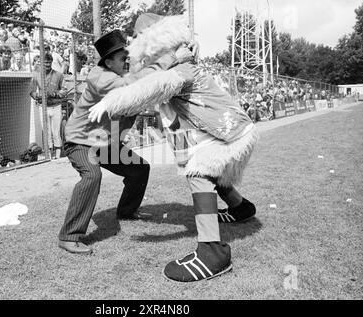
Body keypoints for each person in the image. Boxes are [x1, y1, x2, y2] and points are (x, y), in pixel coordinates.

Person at [89, 14, 258, 282]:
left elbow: (151, 85)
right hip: (222, 131)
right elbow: (149, 85)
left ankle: (212, 252)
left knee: (199, 173)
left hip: (229, 134)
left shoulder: (182, 68)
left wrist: (112, 102)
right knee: (207, 169)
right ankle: (241, 208)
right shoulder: (178, 63)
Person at [58, 30, 195, 255]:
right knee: (92, 175)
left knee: (139, 169)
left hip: (104, 144)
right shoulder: (98, 76)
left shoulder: (121, 74)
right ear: (108, 61)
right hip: (80, 142)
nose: (127, 61)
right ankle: (69, 236)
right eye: (122, 58)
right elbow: (134, 85)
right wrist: (172, 58)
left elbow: (145, 86)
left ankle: (127, 211)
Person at [30, 53, 67, 159]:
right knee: (46, 132)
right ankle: (50, 155)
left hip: (56, 105)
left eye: (49, 62)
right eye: (45, 62)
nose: (47, 64)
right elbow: (31, 91)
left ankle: (58, 155)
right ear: (41, 62)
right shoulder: (36, 75)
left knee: (56, 132)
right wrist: (38, 96)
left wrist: (55, 94)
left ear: (52, 62)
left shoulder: (59, 75)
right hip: (43, 106)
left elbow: (64, 90)